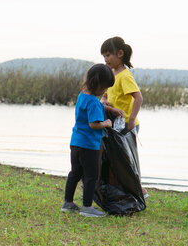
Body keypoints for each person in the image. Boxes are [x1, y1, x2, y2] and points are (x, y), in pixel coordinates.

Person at [61, 64, 114, 217]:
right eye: (104, 88)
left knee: (75, 173)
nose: (104, 91)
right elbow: (93, 124)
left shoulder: (82, 96)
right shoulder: (93, 102)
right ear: (97, 84)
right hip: (89, 145)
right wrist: (106, 123)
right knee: (91, 176)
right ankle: (87, 207)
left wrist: (102, 106)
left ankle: (68, 202)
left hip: (76, 142)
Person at [100, 36, 148, 198]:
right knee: (117, 159)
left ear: (120, 53)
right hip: (115, 123)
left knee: (128, 159)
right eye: (104, 56)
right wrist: (105, 101)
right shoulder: (112, 74)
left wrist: (131, 120)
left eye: (108, 55)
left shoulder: (125, 75)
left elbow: (138, 98)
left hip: (127, 125)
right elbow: (106, 95)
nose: (106, 59)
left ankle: (139, 190)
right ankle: (124, 189)